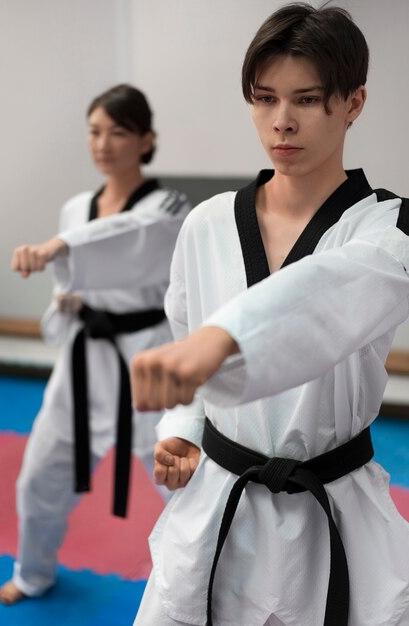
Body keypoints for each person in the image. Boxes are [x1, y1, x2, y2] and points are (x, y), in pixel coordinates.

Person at [130, 5, 409, 626]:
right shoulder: (205, 224)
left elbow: (327, 297)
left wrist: (223, 340)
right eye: (264, 98)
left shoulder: (389, 230)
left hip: (331, 510)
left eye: (307, 100)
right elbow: (186, 339)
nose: (281, 122)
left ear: (353, 102)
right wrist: (180, 426)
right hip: (218, 503)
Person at [0, 84, 191, 605]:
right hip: (84, 360)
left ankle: (202, 590)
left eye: (118, 132)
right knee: (39, 473)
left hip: (146, 359)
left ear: (146, 139)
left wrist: (60, 248)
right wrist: (63, 304)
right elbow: (70, 284)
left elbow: (133, 236)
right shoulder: (75, 206)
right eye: (94, 132)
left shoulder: (168, 204)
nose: (103, 144)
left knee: (183, 485)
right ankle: (34, 572)